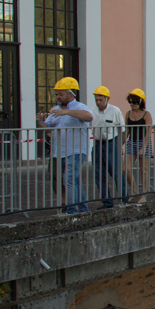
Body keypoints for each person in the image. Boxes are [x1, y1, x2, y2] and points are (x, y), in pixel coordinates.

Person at [37, 77, 93, 214]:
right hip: (58, 152)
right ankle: (83, 208)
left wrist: (67, 112)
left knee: (69, 179)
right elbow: (47, 127)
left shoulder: (79, 107)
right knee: (73, 180)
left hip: (75, 150)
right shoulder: (55, 110)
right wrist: (40, 121)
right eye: (56, 94)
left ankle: (72, 209)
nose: (58, 97)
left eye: (60, 94)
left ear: (70, 94)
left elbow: (89, 116)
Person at [92, 85, 127, 208]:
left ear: (107, 99)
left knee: (116, 172)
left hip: (112, 143)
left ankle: (123, 197)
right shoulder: (93, 112)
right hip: (97, 143)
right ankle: (107, 201)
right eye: (96, 100)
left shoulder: (115, 111)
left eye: (100, 100)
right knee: (99, 174)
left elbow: (123, 130)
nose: (98, 102)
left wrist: (119, 145)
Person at [124, 89, 153, 203]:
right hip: (131, 141)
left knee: (144, 170)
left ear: (140, 102)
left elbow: (148, 131)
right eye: (130, 102)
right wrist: (121, 142)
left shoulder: (146, 114)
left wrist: (144, 147)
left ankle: (144, 195)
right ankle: (134, 189)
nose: (132, 105)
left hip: (143, 141)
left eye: (134, 102)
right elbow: (126, 131)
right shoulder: (128, 114)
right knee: (125, 168)